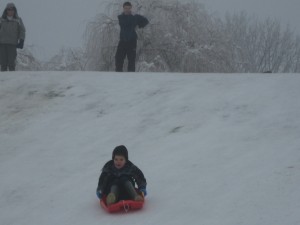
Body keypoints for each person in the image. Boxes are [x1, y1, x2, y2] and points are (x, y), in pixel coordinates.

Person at [115, 2, 149, 72]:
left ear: (131, 8)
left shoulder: (135, 17)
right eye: (125, 8)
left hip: (132, 41)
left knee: (131, 59)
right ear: (123, 8)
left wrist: (139, 25)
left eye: (128, 8)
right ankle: (118, 75)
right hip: (122, 40)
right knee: (118, 58)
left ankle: (131, 77)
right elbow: (124, 24)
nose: (127, 10)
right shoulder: (120, 17)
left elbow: (146, 21)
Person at [0, 3, 25, 72]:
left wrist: (21, 40)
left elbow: (22, 31)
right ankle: (3, 80)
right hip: (2, 44)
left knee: (11, 63)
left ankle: (12, 79)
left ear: (14, 11)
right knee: (3, 63)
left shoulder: (18, 20)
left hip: (12, 44)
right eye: (9, 9)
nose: (10, 11)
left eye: (12, 9)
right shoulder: (1, 20)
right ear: (6, 11)